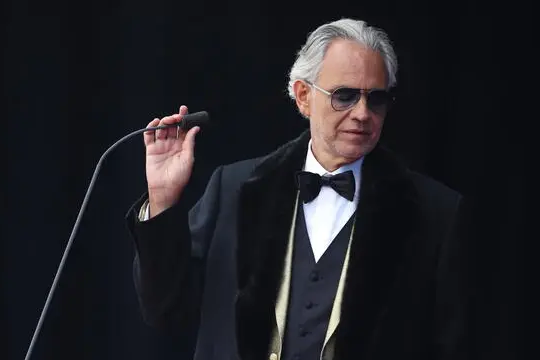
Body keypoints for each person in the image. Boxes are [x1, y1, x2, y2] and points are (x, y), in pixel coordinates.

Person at [125, 18, 472, 360]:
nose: (363, 113)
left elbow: (452, 344)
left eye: (376, 99)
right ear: (303, 96)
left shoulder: (434, 212)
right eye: (345, 96)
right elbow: (166, 311)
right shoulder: (234, 188)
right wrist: (163, 200)